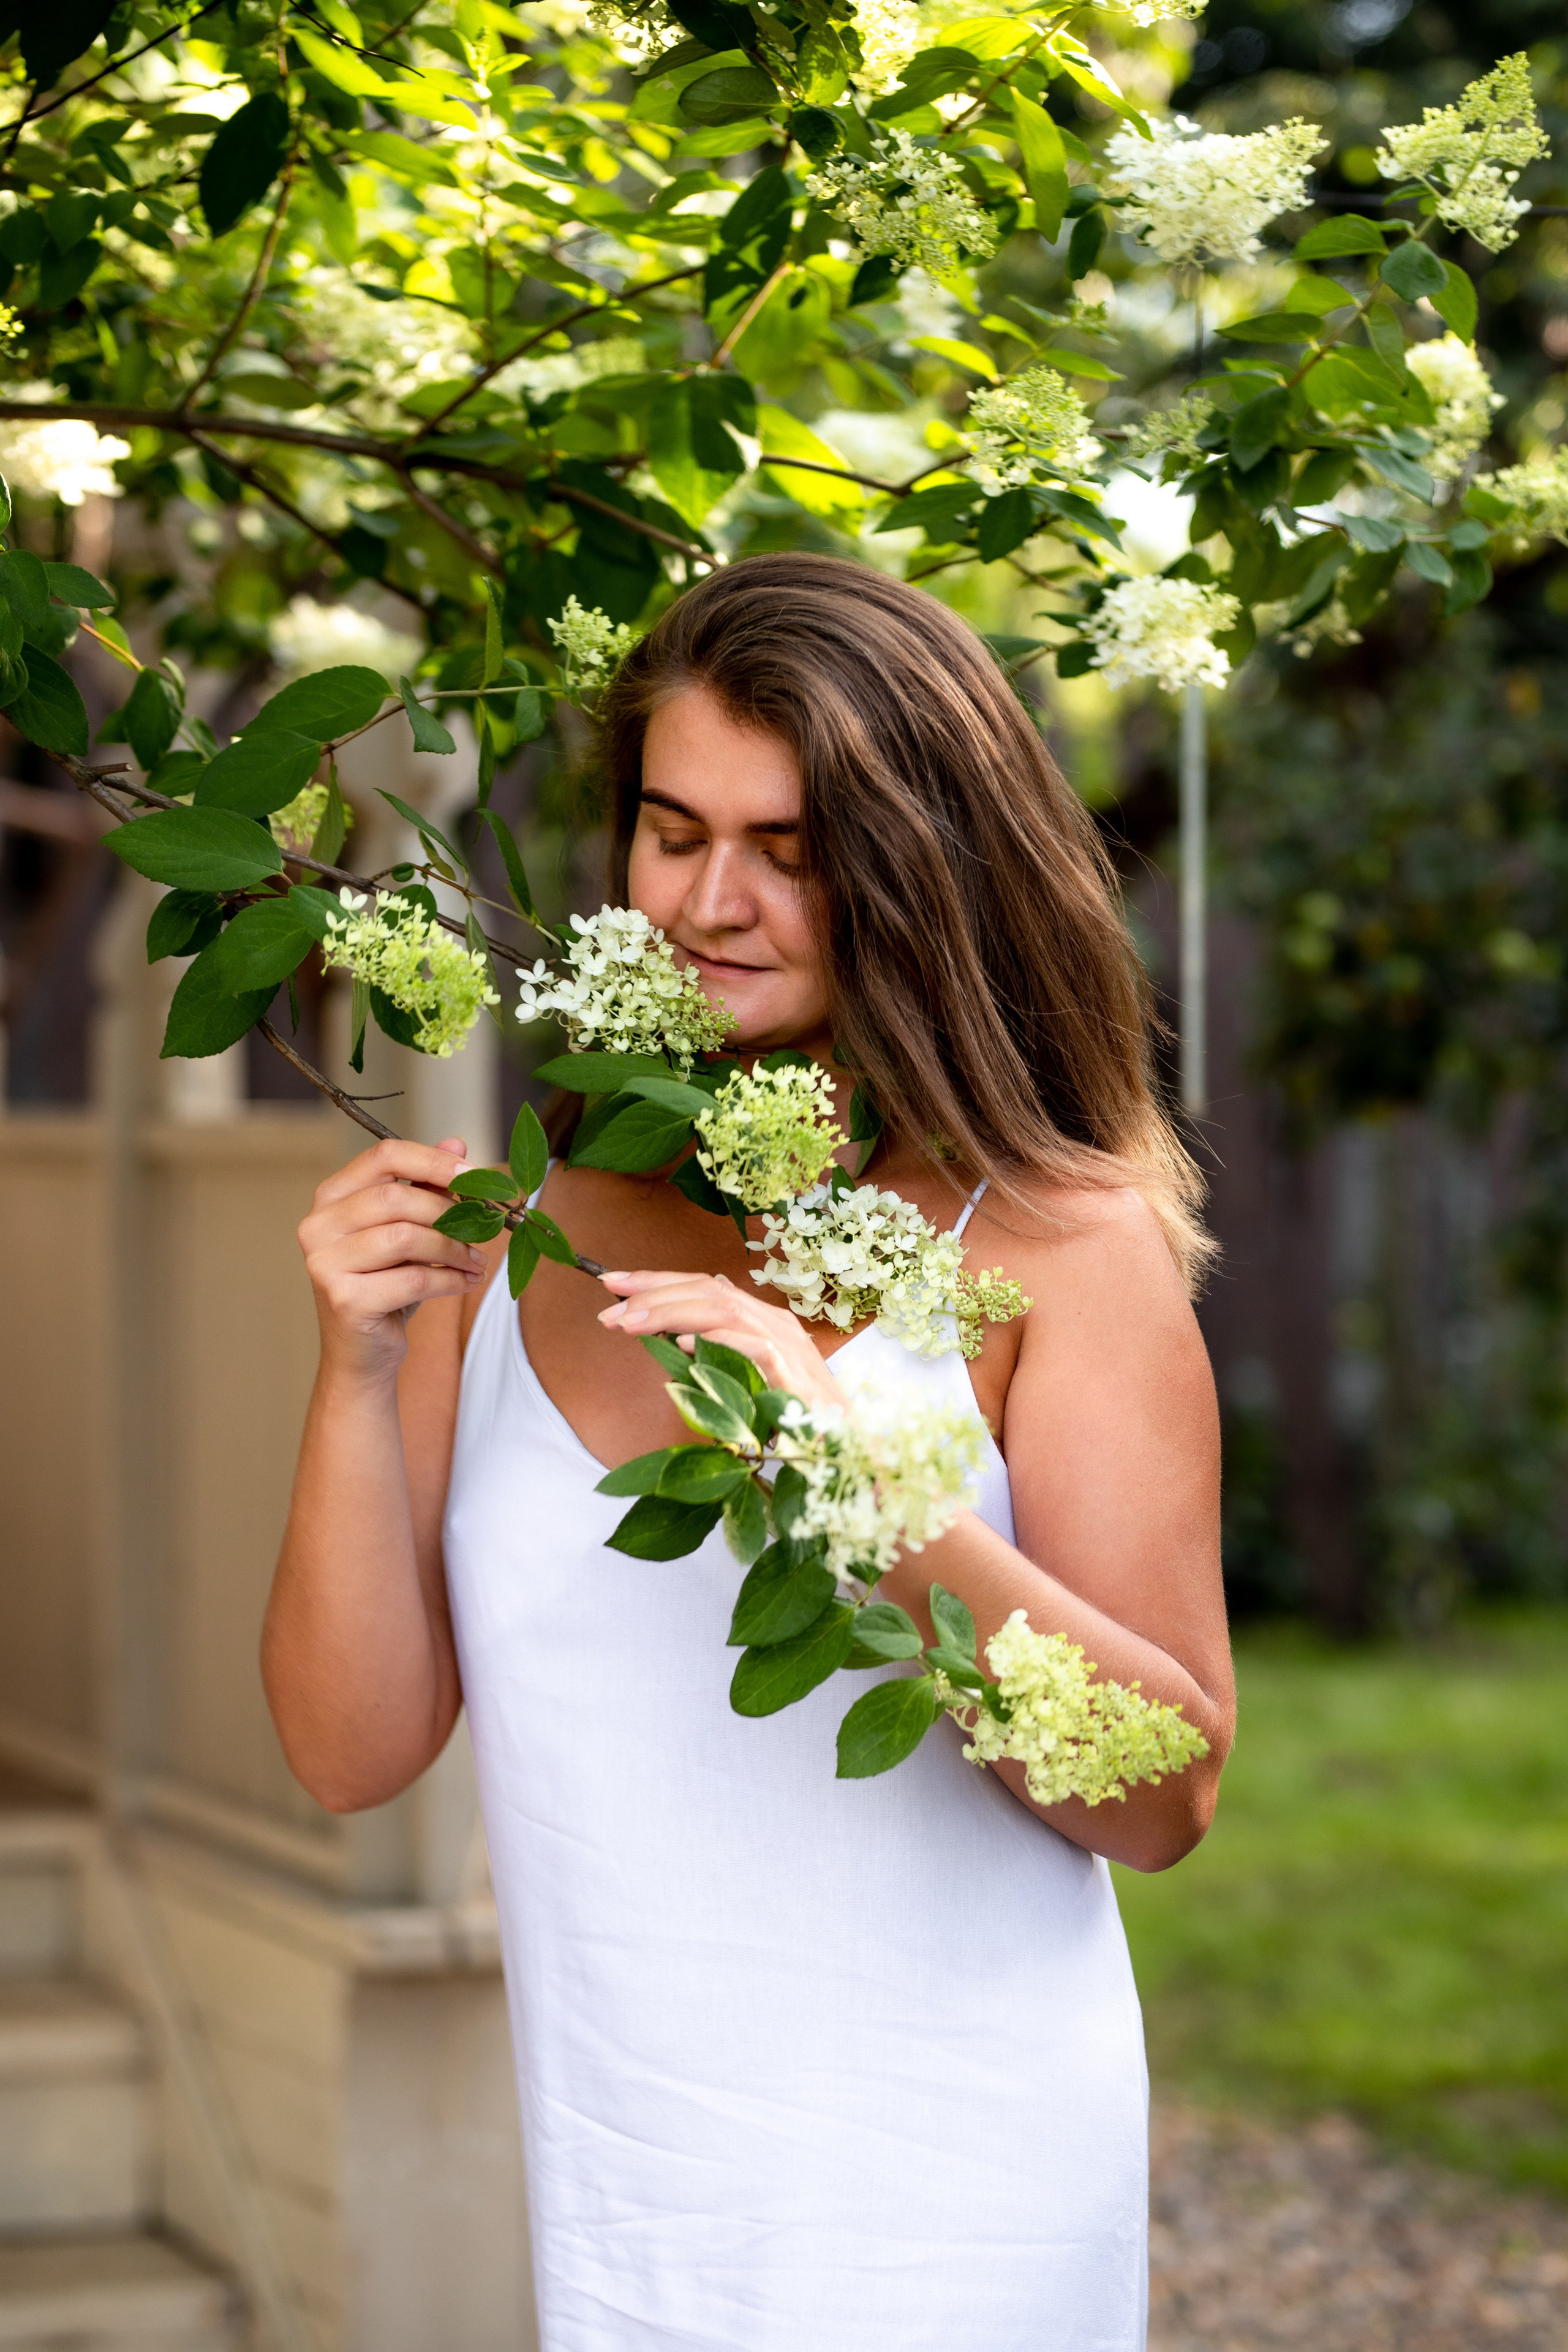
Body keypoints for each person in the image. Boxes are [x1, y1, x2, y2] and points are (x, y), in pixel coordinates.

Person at [263, 552, 1234, 2350]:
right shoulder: (515, 1238)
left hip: (954, 2209)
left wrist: (862, 1483)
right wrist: (354, 1365)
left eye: (792, 850)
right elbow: (346, 1751)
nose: (712, 902)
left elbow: (1161, 1794)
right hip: (631, 2190)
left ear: (922, 868)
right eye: (671, 828)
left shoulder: (1054, 1250)